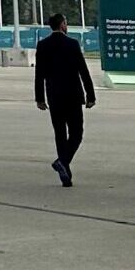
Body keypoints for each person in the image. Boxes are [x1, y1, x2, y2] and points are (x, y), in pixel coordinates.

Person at [34, 12, 95, 187]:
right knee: (76, 134)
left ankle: (65, 173)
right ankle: (64, 161)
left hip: (54, 97)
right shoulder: (72, 44)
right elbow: (83, 71)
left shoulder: (43, 45)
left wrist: (39, 98)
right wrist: (90, 95)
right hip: (73, 96)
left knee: (60, 134)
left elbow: (39, 74)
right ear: (62, 25)